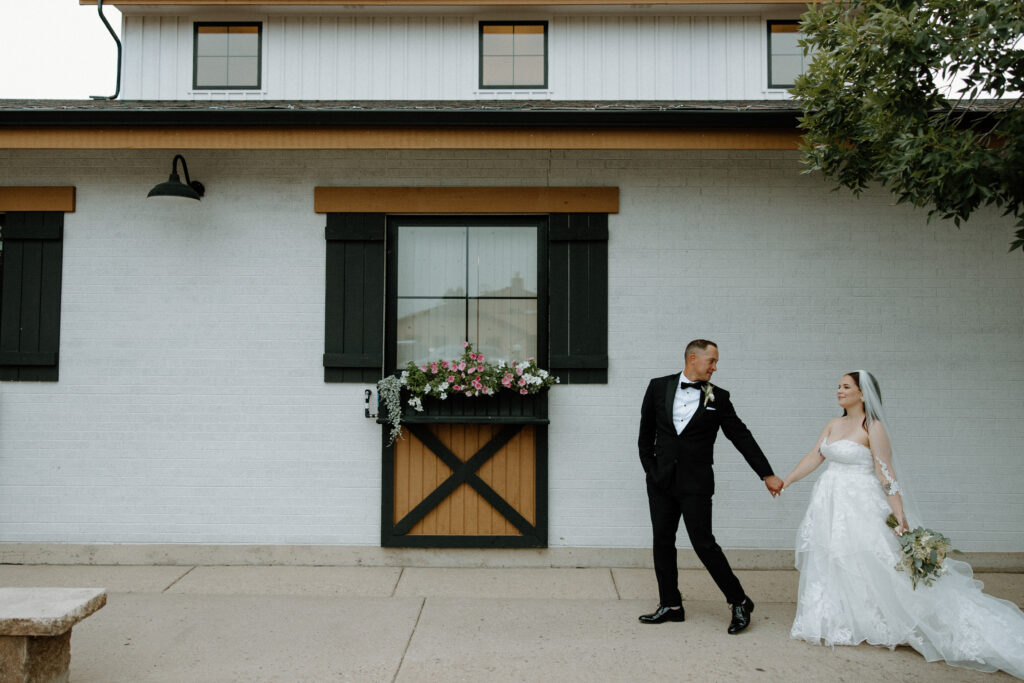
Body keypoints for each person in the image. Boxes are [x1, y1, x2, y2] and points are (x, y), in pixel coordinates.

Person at [781, 370, 1024, 678]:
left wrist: (900, 518)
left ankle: (893, 617)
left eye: (846, 387)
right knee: (835, 557)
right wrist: (787, 480)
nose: (839, 391)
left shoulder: (874, 427)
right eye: (838, 386)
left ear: (863, 393)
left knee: (874, 560)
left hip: (861, 505)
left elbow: (886, 473)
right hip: (830, 503)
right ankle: (842, 617)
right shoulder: (833, 424)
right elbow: (814, 456)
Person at [638, 339, 783, 633]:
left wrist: (766, 473)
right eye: (711, 362)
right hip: (662, 482)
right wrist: (650, 470)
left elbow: (741, 436)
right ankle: (671, 604)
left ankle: (739, 601)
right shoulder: (658, 387)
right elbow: (645, 434)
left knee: (703, 543)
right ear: (693, 359)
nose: (715, 368)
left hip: (697, 482)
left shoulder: (719, 397)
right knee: (662, 542)